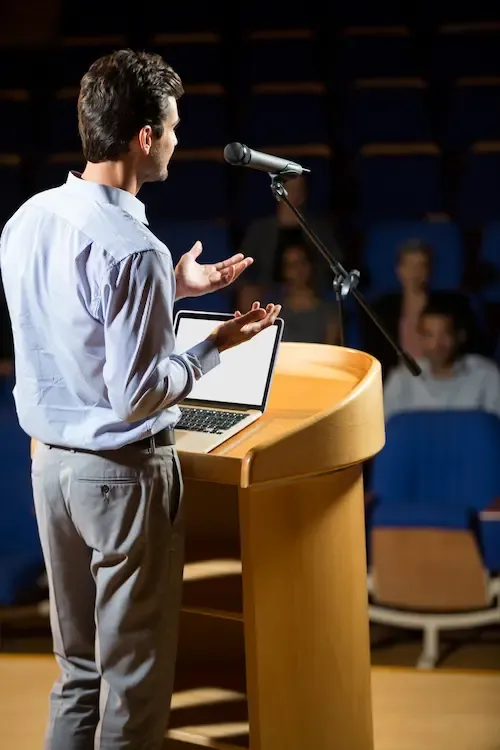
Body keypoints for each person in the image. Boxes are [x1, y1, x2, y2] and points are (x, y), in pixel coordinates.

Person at [0, 49, 280, 750]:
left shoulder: (28, 218)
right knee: (132, 684)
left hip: (50, 468)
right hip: (121, 476)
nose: (180, 140)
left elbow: (73, 322)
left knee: (79, 672)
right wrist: (217, 347)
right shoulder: (134, 246)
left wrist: (174, 287)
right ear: (145, 137)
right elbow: (137, 395)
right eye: (175, 127)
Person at [362, 238, 486, 378]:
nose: (416, 273)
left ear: (430, 270)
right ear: (399, 270)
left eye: (422, 265)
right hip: (399, 383)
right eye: (410, 266)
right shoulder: (381, 309)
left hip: (445, 379)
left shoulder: (453, 305)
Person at [384, 298, 500, 421]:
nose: (436, 344)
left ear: (460, 336)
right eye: (428, 335)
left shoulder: (487, 375)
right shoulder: (401, 378)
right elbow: (383, 428)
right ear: (420, 338)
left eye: (445, 335)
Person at [236, 174, 337, 311]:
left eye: (298, 189)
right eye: (288, 189)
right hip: (270, 289)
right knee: (248, 294)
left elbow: (333, 265)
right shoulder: (260, 229)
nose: (293, 195)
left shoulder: (319, 229)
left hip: (309, 289)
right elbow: (243, 266)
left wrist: (308, 284)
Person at [266, 241, 339, 344]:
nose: (298, 269)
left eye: (302, 262)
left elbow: (331, 352)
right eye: (291, 265)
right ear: (283, 271)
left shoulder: (329, 312)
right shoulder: (272, 310)